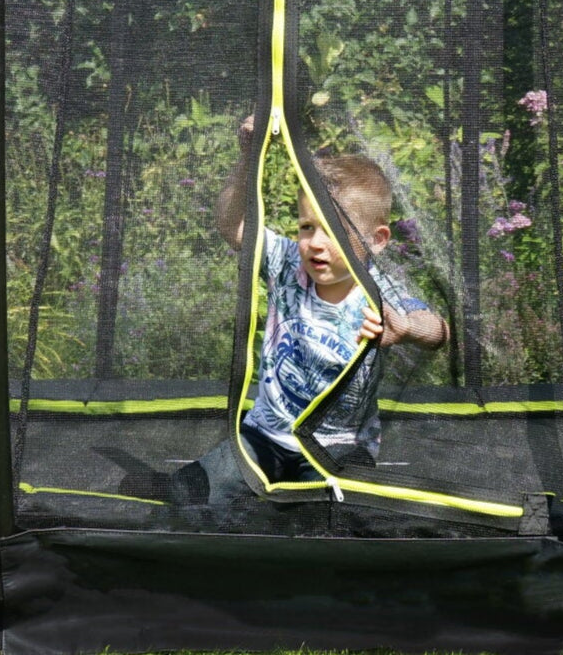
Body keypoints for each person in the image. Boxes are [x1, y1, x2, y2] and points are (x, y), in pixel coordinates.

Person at [161, 114, 448, 514]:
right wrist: (248, 157)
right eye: (307, 226)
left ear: (377, 240)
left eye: (332, 231)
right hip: (265, 438)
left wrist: (406, 327)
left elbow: (439, 331)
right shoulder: (286, 265)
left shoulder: (380, 291)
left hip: (337, 449)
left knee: (333, 518)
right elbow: (233, 225)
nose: (314, 243)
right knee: (186, 492)